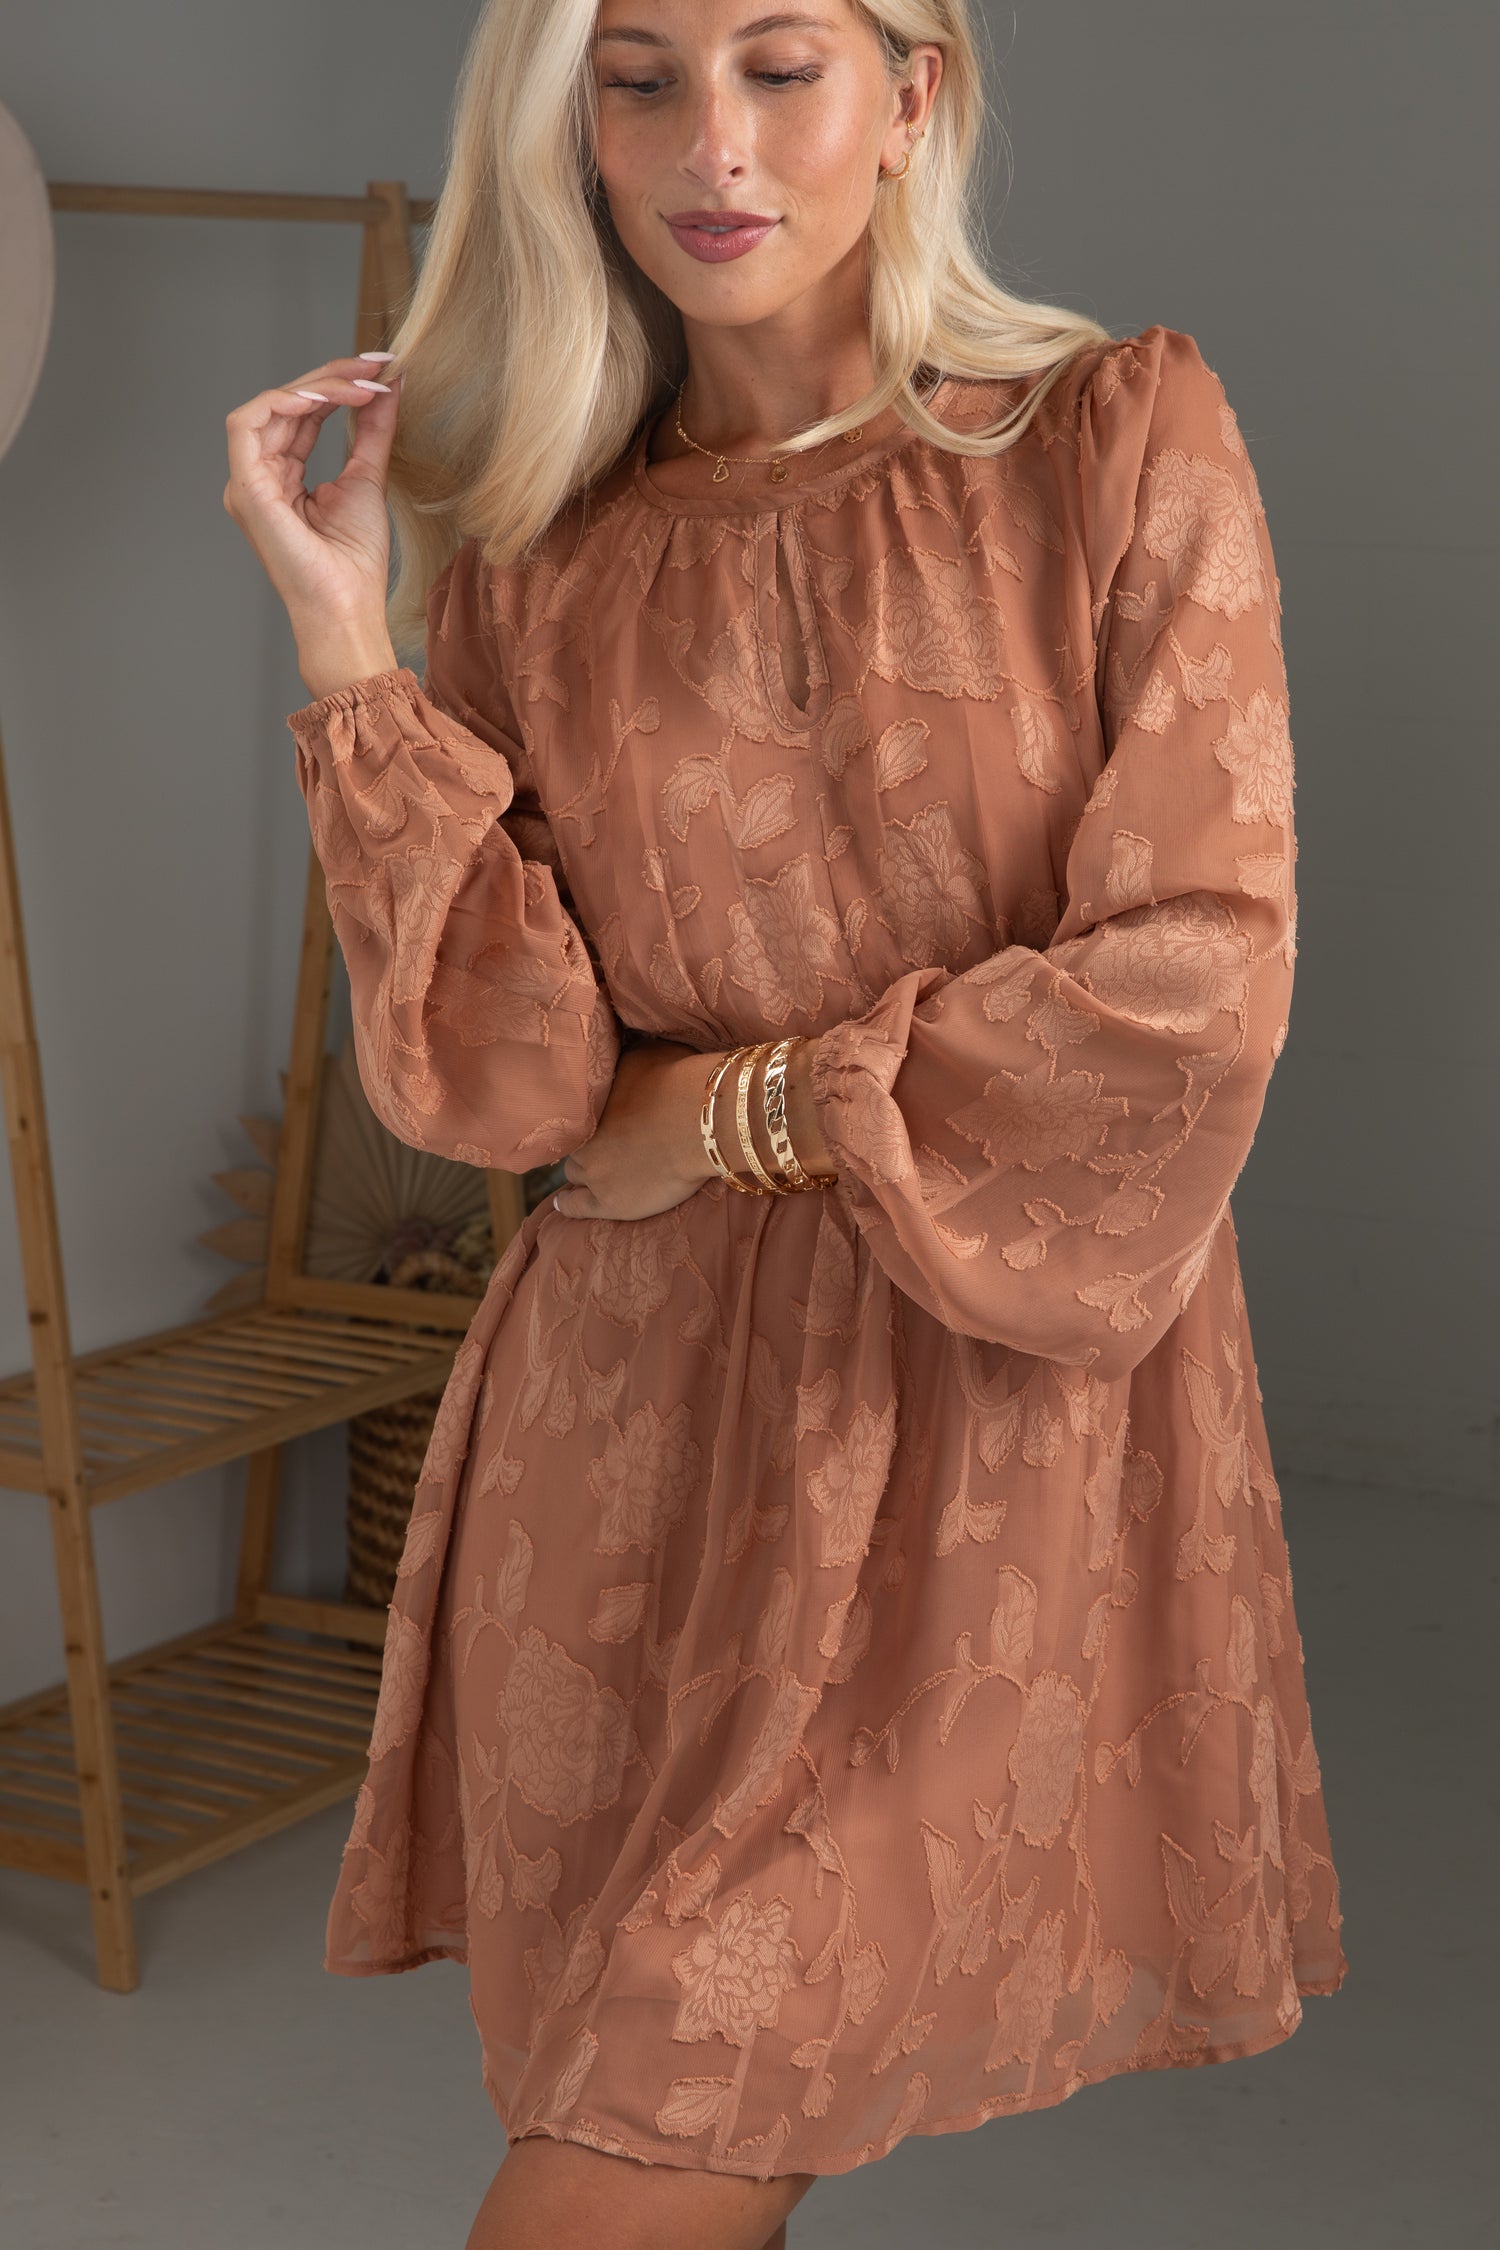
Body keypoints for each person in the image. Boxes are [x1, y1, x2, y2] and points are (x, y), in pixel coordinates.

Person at [222, 3, 1349, 2243]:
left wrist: (737, 1106)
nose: (706, 146)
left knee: (651, 2124)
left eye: (778, 63)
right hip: (633, 1443)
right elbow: (513, 1086)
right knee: (644, 2099)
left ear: (912, 92)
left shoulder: (1115, 441)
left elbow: (1194, 984)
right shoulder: (544, 559)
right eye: (637, 78)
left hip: (969, 1426)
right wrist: (353, 643)